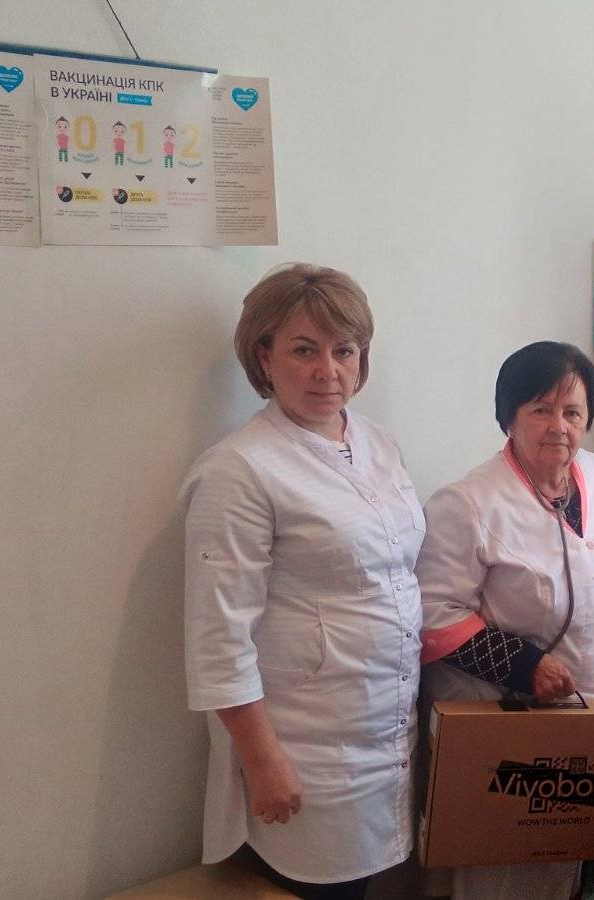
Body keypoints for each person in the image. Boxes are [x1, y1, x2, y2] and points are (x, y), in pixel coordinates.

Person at [180, 264, 423, 899]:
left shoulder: (379, 444)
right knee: (316, 886)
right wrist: (262, 761)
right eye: (304, 350)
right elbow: (218, 637)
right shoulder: (239, 470)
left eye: (345, 351)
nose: (328, 371)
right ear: (264, 356)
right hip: (306, 748)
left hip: (386, 731)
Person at [416, 341, 594, 900]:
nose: (559, 426)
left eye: (573, 412)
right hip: (511, 730)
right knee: (512, 874)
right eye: (541, 409)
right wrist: (524, 666)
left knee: (586, 862)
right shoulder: (468, 503)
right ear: (508, 417)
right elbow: (433, 615)